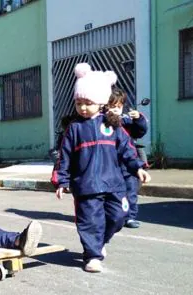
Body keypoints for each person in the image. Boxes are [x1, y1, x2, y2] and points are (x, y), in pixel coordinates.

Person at [53, 63, 151, 273]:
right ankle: (92, 255)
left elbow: (127, 150)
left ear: (100, 102)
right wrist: (61, 180)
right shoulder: (74, 129)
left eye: (88, 103)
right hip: (86, 187)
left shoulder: (113, 125)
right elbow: (64, 157)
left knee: (118, 216)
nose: (83, 108)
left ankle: (99, 242)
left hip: (114, 184)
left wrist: (138, 168)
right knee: (90, 222)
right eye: (79, 103)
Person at [107, 88, 149, 229]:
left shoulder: (126, 121)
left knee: (131, 190)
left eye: (118, 106)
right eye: (111, 106)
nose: (115, 110)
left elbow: (140, 130)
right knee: (111, 192)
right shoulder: (101, 122)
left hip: (128, 164)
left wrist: (139, 118)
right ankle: (110, 215)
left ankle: (130, 217)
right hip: (109, 164)